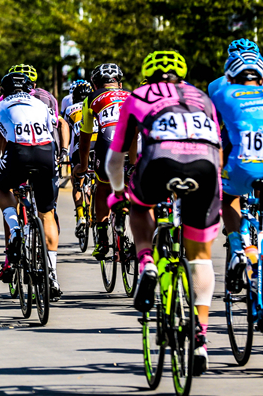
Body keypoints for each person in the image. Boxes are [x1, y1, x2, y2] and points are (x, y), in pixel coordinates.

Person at [107, 51, 220, 374]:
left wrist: (119, 193)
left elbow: (115, 159)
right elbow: (217, 148)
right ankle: (200, 336)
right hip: (205, 167)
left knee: (140, 207)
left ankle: (146, 264)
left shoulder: (137, 96)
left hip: (159, 163)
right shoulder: (202, 97)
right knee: (200, 255)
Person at [0, 72, 62, 299]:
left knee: (2, 187)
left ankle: (15, 229)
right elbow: (53, 129)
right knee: (47, 214)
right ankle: (53, 275)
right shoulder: (40, 103)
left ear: (3, 90)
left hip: (18, 154)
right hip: (46, 153)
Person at [209, 39, 263, 293]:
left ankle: (237, 243)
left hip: (237, 152)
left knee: (228, 194)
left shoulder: (220, 88)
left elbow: (213, 128)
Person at [76, 64, 129, 261]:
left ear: (95, 85)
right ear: (120, 84)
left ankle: (102, 239)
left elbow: (85, 137)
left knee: (103, 187)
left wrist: (82, 166)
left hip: (108, 144)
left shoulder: (91, 98)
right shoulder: (132, 95)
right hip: (135, 145)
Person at [60, 80, 95, 232]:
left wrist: (63, 151)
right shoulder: (96, 105)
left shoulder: (69, 109)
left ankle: (81, 215)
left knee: (77, 182)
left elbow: (65, 131)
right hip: (98, 146)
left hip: (78, 148)